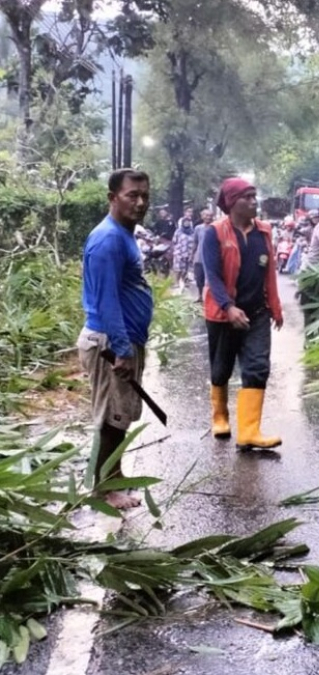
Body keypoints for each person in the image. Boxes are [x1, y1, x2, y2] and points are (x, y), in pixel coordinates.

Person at [77, 168, 154, 510]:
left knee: (120, 415)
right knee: (112, 417)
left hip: (122, 340)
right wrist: (122, 350)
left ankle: (114, 480)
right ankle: (106, 489)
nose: (140, 203)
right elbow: (106, 300)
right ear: (112, 198)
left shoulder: (124, 234)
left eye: (144, 196)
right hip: (110, 343)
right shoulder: (108, 239)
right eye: (132, 196)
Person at [202, 177, 284, 450]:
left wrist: (275, 306)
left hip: (257, 313)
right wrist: (228, 306)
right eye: (246, 197)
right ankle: (220, 417)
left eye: (254, 196)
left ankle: (249, 431)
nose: (253, 201)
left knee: (258, 367)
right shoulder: (214, 232)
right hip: (223, 314)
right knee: (221, 367)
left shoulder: (264, 232)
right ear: (231, 203)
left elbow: (269, 272)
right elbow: (211, 275)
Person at [192, 209, 213, 302]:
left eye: (210, 215)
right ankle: (200, 296)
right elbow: (195, 242)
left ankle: (209, 298)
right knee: (199, 278)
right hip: (199, 257)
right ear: (202, 217)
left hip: (211, 257)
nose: (208, 217)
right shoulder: (198, 228)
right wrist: (192, 255)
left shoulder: (214, 227)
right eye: (206, 215)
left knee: (210, 279)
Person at [171, 214, 195, 290]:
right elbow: (174, 241)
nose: (186, 223)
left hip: (189, 253)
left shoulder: (193, 232)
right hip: (179, 253)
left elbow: (194, 242)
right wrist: (175, 251)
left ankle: (184, 281)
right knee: (178, 269)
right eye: (185, 222)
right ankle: (176, 282)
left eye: (188, 222)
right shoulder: (178, 231)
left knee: (186, 269)